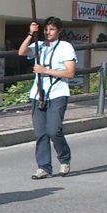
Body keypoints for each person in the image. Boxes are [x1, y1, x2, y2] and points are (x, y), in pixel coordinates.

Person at [17, 17, 76, 179]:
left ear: (59, 31)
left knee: (54, 130)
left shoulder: (65, 47)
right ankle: (44, 167)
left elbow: (70, 73)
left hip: (58, 93)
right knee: (40, 133)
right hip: (37, 94)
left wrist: (45, 70)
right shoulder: (39, 45)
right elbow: (21, 52)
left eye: (52, 29)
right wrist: (31, 33)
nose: (48, 32)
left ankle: (64, 159)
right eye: (46, 29)